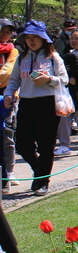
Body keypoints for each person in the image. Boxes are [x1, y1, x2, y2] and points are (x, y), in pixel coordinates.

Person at [3, 20, 69, 196]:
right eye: (28, 38)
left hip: (47, 103)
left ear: (43, 38)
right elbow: (14, 80)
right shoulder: (21, 57)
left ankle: (43, 181)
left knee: (46, 145)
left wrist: (49, 79)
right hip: (26, 102)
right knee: (23, 144)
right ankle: (40, 172)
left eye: (35, 37)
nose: (31, 41)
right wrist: (9, 94)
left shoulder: (53, 57)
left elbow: (64, 79)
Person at [0, 19, 19, 192]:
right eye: (2, 30)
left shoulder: (12, 51)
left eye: (8, 31)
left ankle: (9, 171)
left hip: (7, 96)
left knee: (7, 135)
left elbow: (6, 74)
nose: (5, 34)